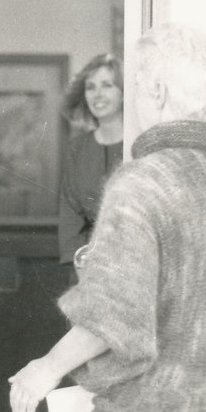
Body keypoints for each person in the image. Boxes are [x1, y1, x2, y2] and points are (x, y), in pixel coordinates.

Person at [8, 24, 206, 412]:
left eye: (136, 84)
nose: (136, 94)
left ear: (156, 91)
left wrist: (44, 368)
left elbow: (112, 313)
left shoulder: (142, 181)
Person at [58, 53, 125, 268]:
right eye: (90, 87)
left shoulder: (138, 145)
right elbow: (70, 217)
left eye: (107, 85)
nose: (98, 94)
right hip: (85, 264)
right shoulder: (77, 148)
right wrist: (79, 260)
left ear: (124, 93)